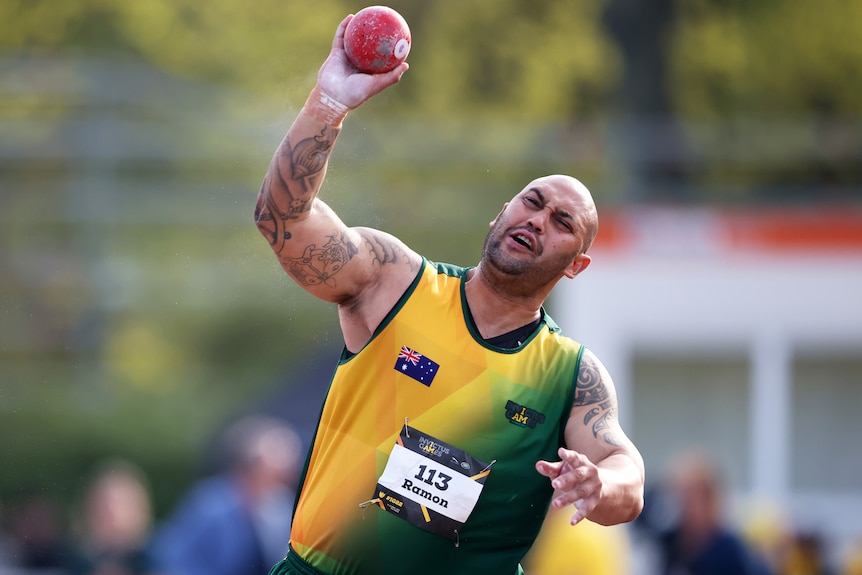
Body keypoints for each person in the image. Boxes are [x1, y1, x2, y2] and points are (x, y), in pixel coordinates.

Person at [254, 13, 645, 575]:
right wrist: (328, 104)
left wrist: (598, 482)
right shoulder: (396, 282)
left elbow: (627, 477)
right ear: (501, 212)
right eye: (531, 201)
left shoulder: (569, 375)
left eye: (562, 222)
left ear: (577, 265)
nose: (537, 219)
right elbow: (281, 220)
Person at [151, 416, 301, 575]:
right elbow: (173, 558)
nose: (291, 461)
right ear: (252, 461)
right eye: (279, 451)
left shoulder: (280, 507)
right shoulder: (212, 504)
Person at [656, 451, 772, 575]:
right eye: (678, 495)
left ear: (710, 501)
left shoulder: (729, 551)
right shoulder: (668, 544)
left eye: (690, 497)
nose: (682, 504)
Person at [66, 459, 158, 575]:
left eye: (118, 502)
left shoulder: (153, 552)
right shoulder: (79, 555)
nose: (110, 510)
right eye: (104, 503)